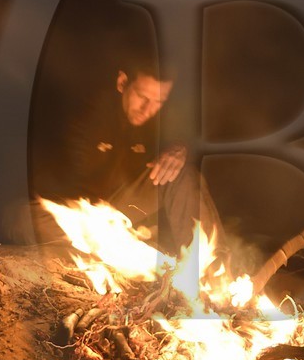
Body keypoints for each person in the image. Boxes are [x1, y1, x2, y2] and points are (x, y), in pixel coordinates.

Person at [55, 55, 211, 256]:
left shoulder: (157, 118)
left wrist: (180, 148)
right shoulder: (85, 114)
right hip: (75, 208)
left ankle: (209, 266)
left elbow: (189, 136)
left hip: (119, 211)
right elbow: (57, 180)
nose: (148, 109)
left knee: (180, 173)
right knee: (26, 217)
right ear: (122, 83)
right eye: (142, 97)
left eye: (159, 101)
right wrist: (97, 219)